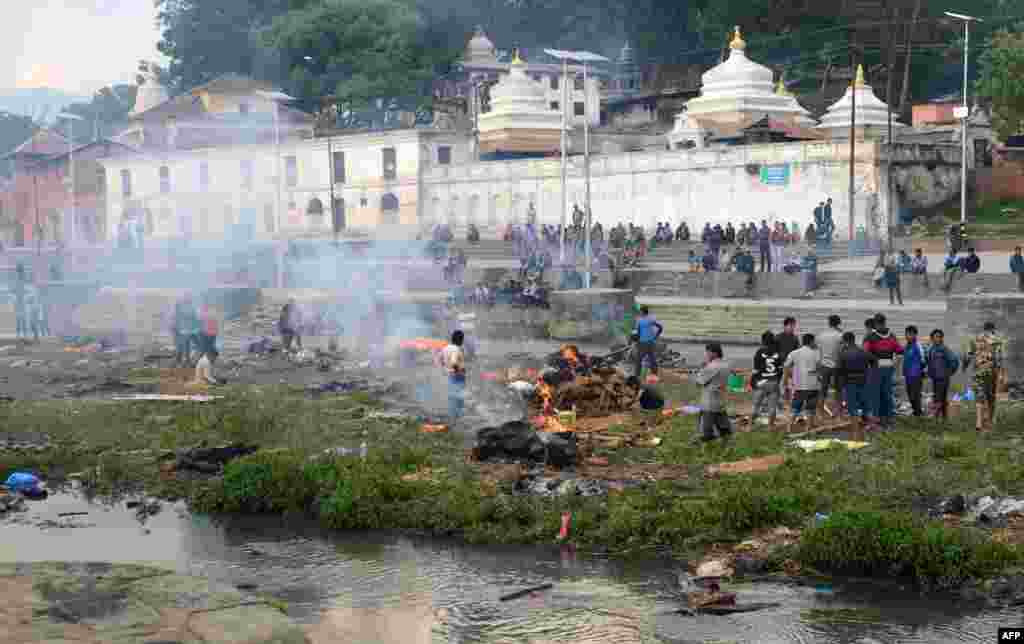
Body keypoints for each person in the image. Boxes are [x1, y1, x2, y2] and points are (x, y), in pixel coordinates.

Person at [863, 313, 903, 430]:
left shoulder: (870, 336)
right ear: (885, 322)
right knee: (887, 394)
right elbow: (900, 351)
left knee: (875, 395)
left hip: (875, 369)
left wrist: (874, 360)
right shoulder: (892, 336)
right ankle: (888, 419)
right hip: (888, 368)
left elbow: (865, 352)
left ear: (875, 323)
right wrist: (895, 365)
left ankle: (876, 420)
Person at [965, 321, 1006, 432]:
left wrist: (965, 366)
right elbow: (999, 358)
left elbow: (968, 355)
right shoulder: (997, 340)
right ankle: (990, 421)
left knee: (979, 396)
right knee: (991, 397)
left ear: (984, 329)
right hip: (991, 372)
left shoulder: (975, 339)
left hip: (978, 371)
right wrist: (1001, 374)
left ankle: (979, 422)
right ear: (993, 329)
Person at [837, 331, 877, 435]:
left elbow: (839, 371)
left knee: (852, 406)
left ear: (845, 341)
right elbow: (874, 361)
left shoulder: (843, 353)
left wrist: (840, 386)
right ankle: (871, 426)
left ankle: (855, 429)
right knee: (866, 404)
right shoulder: (863, 351)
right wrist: (871, 373)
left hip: (850, 382)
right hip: (864, 380)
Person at [693, 342, 733, 443]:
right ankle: (727, 447)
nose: (706, 355)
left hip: (709, 403)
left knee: (706, 433)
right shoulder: (726, 365)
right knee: (725, 431)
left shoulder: (712, 367)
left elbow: (699, 382)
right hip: (720, 402)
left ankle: (707, 449)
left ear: (714, 353)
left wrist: (702, 368)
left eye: (708, 352)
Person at [784, 333, 820, 428]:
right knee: (810, 407)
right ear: (811, 342)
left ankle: (789, 427)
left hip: (799, 384)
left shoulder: (794, 353)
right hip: (813, 384)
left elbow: (786, 366)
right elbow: (819, 367)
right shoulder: (816, 353)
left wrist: (786, 379)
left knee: (795, 407)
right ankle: (808, 428)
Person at [925, 329, 959, 419]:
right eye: (936, 337)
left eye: (940, 337)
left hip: (943, 378)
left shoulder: (944, 349)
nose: (938, 339)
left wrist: (949, 372)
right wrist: (929, 373)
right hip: (935, 378)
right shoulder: (931, 349)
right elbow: (929, 362)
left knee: (938, 398)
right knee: (942, 398)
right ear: (932, 338)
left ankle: (935, 416)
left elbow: (954, 361)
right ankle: (944, 418)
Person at [751, 331, 782, 428]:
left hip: (761, 381)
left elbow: (755, 370)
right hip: (773, 381)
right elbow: (780, 370)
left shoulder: (759, 351)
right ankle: (771, 426)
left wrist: (752, 381)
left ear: (763, 341)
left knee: (756, 405)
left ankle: (749, 425)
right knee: (772, 407)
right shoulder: (778, 352)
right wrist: (777, 380)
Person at [817, 315, 843, 417]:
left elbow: (818, 351)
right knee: (838, 390)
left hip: (824, 365)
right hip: (837, 365)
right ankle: (838, 412)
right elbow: (842, 351)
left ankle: (820, 412)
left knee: (823, 390)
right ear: (838, 323)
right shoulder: (840, 335)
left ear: (829, 323)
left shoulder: (821, 335)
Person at [442, 330, 467, 423]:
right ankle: (457, 419)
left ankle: (452, 417)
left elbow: (440, 360)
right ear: (459, 339)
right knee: (458, 398)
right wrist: (459, 371)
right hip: (456, 377)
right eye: (462, 339)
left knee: (452, 397)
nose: (462, 341)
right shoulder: (456, 349)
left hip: (448, 376)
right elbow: (454, 362)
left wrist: (445, 369)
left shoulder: (445, 348)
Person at [633, 306, 663, 380]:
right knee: (652, 358)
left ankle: (637, 375)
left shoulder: (639, 321)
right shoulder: (651, 319)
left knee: (639, 359)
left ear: (642, 312)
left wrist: (635, 341)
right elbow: (660, 327)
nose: (639, 313)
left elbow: (638, 332)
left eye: (640, 312)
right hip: (651, 342)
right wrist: (656, 336)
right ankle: (655, 374)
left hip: (643, 342)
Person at [902, 325, 925, 417]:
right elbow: (906, 360)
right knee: (910, 395)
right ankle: (916, 411)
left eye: (910, 334)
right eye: (906, 334)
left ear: (915, 335)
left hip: (916, 375)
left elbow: (923, 360)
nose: (908, 336)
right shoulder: (907, 346)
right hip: (908, 376)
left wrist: (920, 371)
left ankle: (918, 413)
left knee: (915, 395)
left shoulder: (917, 346)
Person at [173, 293, 198, 366]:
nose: (189, 299)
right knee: (183, 347)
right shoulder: (181, 307)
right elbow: (178, 318)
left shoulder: (190, 307)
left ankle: (185, 361)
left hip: (187, 331)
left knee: (185, 347)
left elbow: (194, 318)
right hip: (183, 330)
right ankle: (183, 361)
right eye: (187, 298)